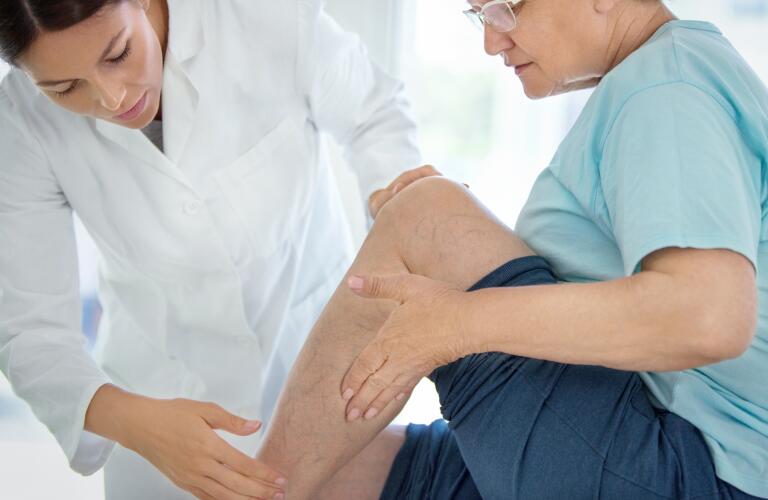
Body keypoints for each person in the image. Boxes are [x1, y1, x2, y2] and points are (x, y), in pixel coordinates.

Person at [253, 0, 768, 498]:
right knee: (327, 476)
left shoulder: (665, 89)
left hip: (694, 468)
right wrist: (456, 247)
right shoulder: (668, 77)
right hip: (658, 438)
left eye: (507, 7)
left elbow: (708, 317)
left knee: (426, 215)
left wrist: (456, 319)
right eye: (480, 14)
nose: (490, 40)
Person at [0, 0, 433, 498]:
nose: (114, 97)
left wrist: (391, 194)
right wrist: (138, 425)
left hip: (317, 375)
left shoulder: (260, 17)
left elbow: (374, 116)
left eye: (118, 54)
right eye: (65, 88)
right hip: (157, 412)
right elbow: (31, 334)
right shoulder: (21, 122)